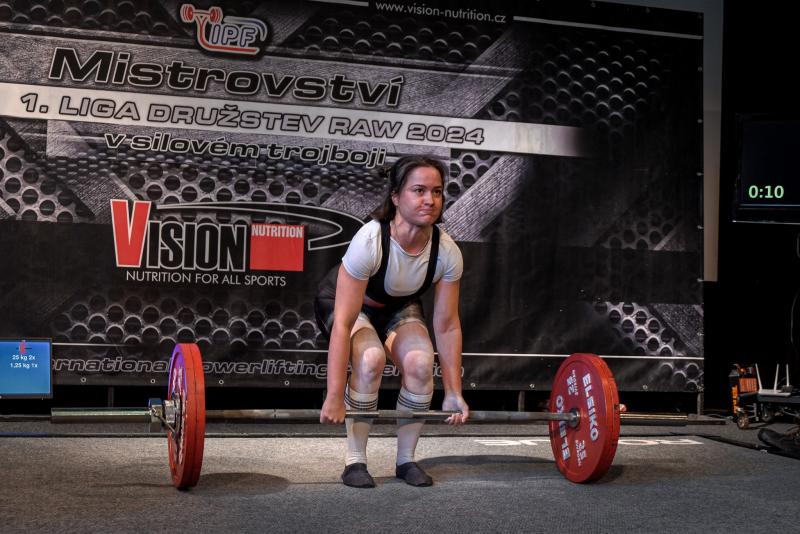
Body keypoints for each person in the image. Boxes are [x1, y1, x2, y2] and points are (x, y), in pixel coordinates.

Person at [314, 154, 469, 488]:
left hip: (398, 306)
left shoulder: (446, 252)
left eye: (437, 191)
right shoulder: (370, 240)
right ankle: (355, 461)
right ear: (396, 197)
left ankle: (406, 460)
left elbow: (447, 326)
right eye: (419, 190)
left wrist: (454, 392)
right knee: (370, 359)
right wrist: (334, 395)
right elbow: (343, 323)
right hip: (347, 306)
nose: (430, 200)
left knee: (421, 363)